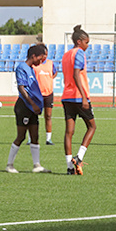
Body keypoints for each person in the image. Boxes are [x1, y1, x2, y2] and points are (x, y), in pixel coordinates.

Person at [6, 45, 51, 174]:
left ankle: (37, 165)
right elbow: (22, 88)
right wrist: (33, 104)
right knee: (21, 136)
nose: (41, 62)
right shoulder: (22, 68)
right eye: (40, 58)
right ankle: (9, 165)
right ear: (34, 56)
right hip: (24, 107)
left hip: (32, 108)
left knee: (35, 136)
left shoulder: (31, 69)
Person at [62, 25, 97, 175]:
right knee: (92, 127)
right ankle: (79, 157)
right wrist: (83, 96)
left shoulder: (66, 55)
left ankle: (70, 167)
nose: (87, 46)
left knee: (69, 132)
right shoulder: (79, 53)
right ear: (79, 41)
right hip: (78, 96)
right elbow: (76, 74)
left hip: (66, 97)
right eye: (86, 42)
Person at [34, 43, 57, 145]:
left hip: (48, 93)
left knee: (48, 116)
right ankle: (32, 138)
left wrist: (50, 79)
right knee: (33, 116)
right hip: (37, 94)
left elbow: (55, 72)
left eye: (47, 54)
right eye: (44, 54)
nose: (45, 56)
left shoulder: (50, 63)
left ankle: (48, 139)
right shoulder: (34, 65)